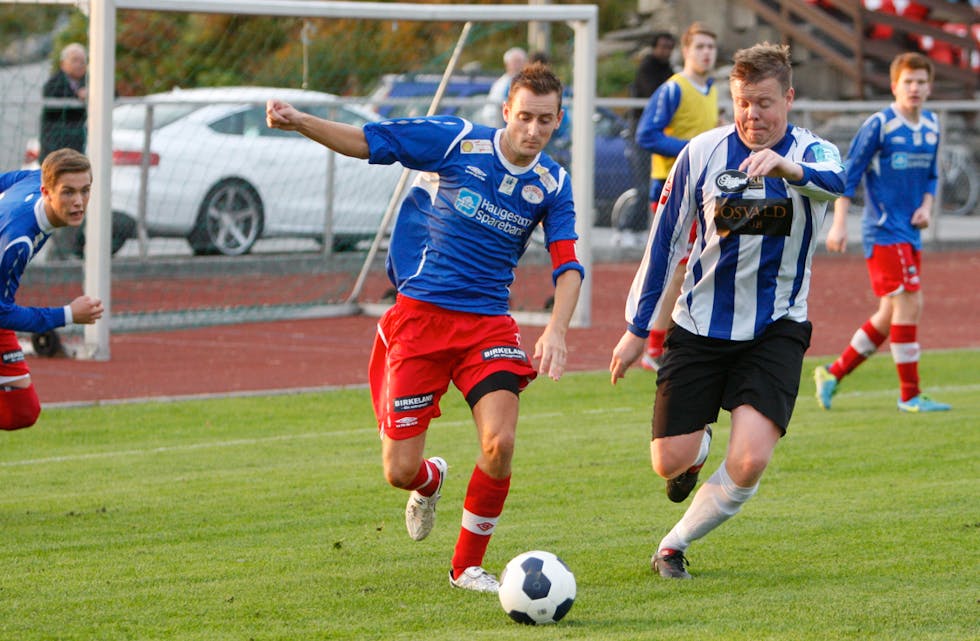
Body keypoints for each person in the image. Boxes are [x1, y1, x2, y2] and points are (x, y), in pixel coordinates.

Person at [266, 62, 584, 593]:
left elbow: (568, 264)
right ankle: (431, 479)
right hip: (420, 320)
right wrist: (300, 120)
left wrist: (556, 329)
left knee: (499, 443)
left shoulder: (553, 181)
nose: (533, 130)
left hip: (487, 326)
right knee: (398, 471)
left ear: (558, 121)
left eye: (545, 121)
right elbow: (367, 141)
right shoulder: (456, 140)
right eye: (524, 116)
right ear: (506, 111)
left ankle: (466, 568)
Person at [609, 43, 845, 579]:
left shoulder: (814, 153)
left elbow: (838, 181)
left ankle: (673, 546)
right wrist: (635, 329)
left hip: (776, 328)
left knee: (749, 461)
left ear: (788, 97)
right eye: (742, 102)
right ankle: (696, 450)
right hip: (699, 325)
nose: (751, 115)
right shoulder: (701, 153)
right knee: (668, 461)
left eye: (763, 102)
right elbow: (664, 243)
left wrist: (786, 167)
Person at [814, 52, 950, 413]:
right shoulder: (880, 124)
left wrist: (926, 206)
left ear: (929, 86)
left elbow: (933, 176)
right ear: (895, 86)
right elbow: (848, 175)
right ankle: (909, 395)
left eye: (921, 81)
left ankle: (832, 373)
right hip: (884, 231)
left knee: (890, 314)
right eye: (909, 81)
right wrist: (839, 223)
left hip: (911, 231)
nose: (916, 88)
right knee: (910, 302)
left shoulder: (933, 125)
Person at [632, 23, 720, 370]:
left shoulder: (712, 90)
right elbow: (646, 134)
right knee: (677, 269)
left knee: (693, 269)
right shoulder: (673, 89)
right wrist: (693, 150)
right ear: (686, 50)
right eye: (699, 46)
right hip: (671, 189)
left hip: (704, 191)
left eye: (711, 47)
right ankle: (654, 347)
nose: (706, 53)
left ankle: (668, 344)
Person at [0, 149, 105, 430]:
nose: (79, 202)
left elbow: (5, 180)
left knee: (21, 411)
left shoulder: (35, 178)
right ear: (47, 192)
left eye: (85, 191)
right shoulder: (17, 242)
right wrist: (69, 314)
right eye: (68, 193)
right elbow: (2, 314)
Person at [614, 31, 676, 249]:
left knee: (656, 186)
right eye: (662, 47)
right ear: (654, 47)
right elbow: (657, 94)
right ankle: (625, 228)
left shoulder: (669, 70)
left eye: (670, 47)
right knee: (643, 186)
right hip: (641, 135)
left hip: (660, 135)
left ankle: (640, 230)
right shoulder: (647, 67)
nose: (666, 52)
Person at [39, 43, 88, 164]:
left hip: (79, 148)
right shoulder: (54, 83)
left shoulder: (91, 80)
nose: (79, 64)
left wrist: (93, 93)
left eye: (82, 61)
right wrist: (77, 95)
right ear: (63, 63)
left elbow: (114, 92)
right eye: (75, 60)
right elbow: (51, 93)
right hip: (55, 149)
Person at [480, 46, 528, 127]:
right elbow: (492, 110)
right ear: (507, 64)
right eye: (515, 62)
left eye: (520, 62)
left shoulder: (529, 82)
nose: (518, 65)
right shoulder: (501, 84)